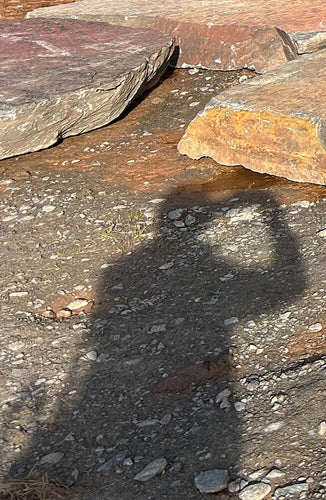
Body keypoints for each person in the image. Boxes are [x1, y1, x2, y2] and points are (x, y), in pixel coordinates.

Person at [9, 189, 305, 488]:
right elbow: (290, 289)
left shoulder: (118, 268)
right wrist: (274, 220)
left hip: (99, 376)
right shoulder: (130, 268)